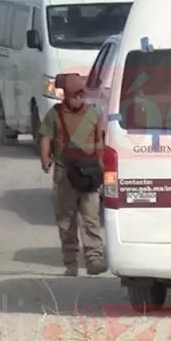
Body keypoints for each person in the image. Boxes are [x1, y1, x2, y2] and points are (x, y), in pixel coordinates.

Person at [39, 74, 108, 277]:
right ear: (66, 95)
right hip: (64, 172)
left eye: (81, 94)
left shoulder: (92, 113)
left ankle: (94, 259)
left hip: (89, 172)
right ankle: (71, 263)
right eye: (75, 94)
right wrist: (45, 158)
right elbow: (46, 137)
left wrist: (102, 167)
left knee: (91, 217)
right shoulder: (55, 114)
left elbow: (99, 142)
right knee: (66, 219)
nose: (79, 98)